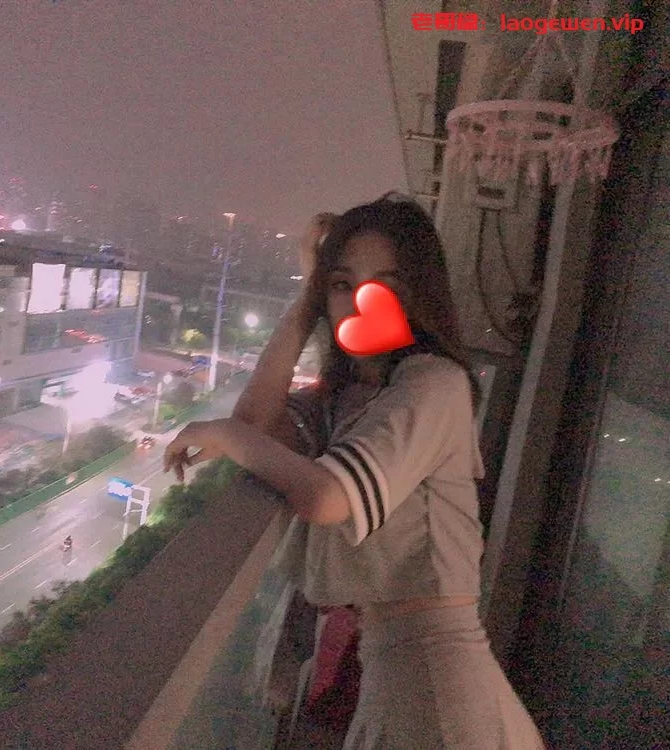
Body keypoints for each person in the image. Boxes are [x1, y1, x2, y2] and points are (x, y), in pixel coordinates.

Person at [163, 196, 546, 749]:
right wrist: (307, 301)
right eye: (343, 284)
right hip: (392, 672)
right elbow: (256, 423)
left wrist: (222, 434)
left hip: (442, 690)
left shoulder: (433, 384)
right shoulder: (352, 398)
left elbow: (326, 497)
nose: (362, 300)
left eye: (387, 283)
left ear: (420, 294)